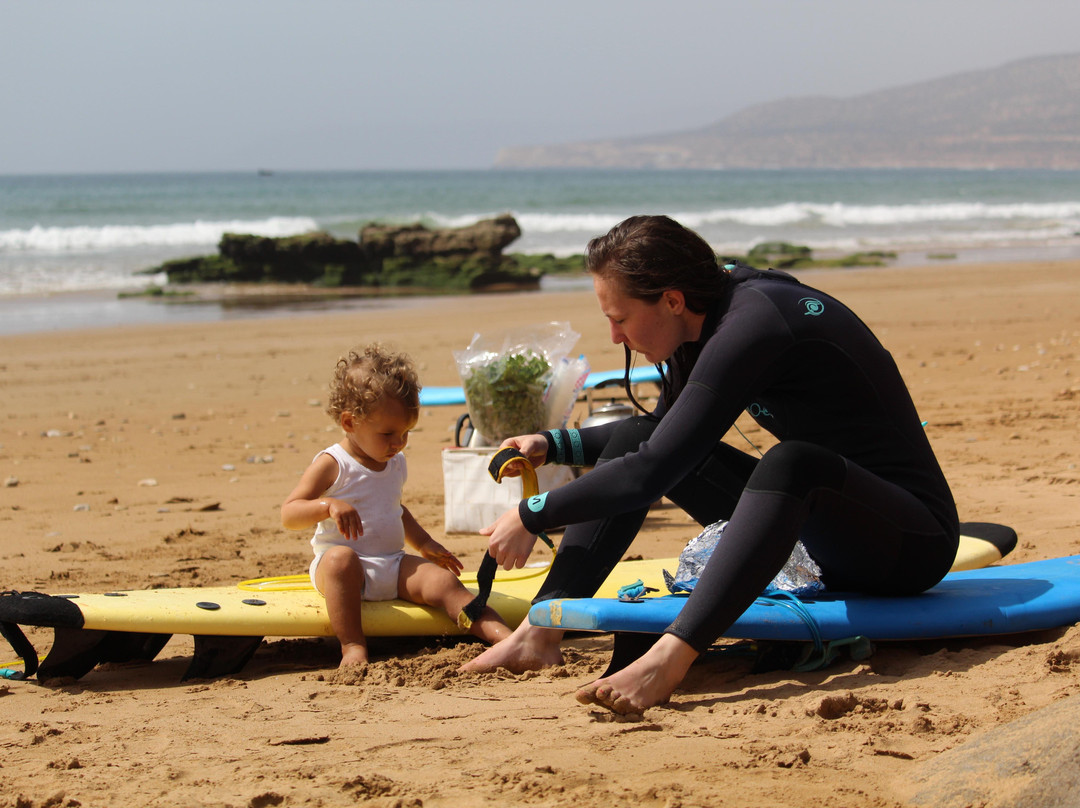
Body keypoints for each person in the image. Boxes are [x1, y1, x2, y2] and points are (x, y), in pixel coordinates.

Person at [461, 215, 958, 716]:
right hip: (819, 534)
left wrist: (533, 513)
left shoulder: (755, 323)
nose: (614, 337)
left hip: (905, 543)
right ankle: (538, 632)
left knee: (792, 464)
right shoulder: (701, 318)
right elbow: (658, 439)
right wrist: (554, 442)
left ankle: (670, 659)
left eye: (621, 318)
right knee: (642, 432)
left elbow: (651, 473)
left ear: (672, 300)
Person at [282, 344, 510, 668]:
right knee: (340, 559)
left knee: (444, 582)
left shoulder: (394, 461)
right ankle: (352, 646)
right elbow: (289, 513)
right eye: (388, 433)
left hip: (391, 564)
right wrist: (327, 505)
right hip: (343, 572)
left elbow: (396, 510)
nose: (397, 443)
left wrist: (424, 543)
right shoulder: (333, 463)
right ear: (349, 422)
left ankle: (502, 636)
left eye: (405, 433)